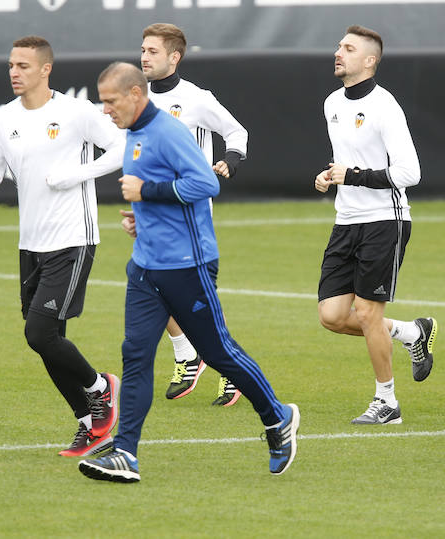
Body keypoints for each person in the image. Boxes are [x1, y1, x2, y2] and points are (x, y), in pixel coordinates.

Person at [78, 63, 298, 482]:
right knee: (136, 355)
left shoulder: (168, 132)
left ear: (135, 95)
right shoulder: (134, 134)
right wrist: (141, 217)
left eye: (110, 101)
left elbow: (205, 184)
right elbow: (160, 196)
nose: (105, 110)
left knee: (218, 353)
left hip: (187, 267)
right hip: (145, 266)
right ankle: (125, 453)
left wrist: (148, 193)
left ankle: (277, 417)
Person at [0, 36, 123, 458]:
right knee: (44, 337)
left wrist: (78, 173)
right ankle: (89, 424)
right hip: (31, 242)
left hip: (73, 238)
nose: (14, 72)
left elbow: (122, 148)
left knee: (39, 331)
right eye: (10, 65)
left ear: (45, 69)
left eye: (22, 65)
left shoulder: (75, 112)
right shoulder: (3, 118)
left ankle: (101, 388)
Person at [314, 25, 438, 425]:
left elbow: (410, 172)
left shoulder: (386, 106)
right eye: (339, 47)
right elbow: (346, 162)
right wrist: (330, 176)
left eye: (348, 49)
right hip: (346, 220)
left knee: (368, 313)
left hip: (386, 219)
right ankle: (411, 333)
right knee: (332, 316)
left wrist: (353, 176)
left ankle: (387, 402)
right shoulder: (332, 102)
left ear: (370, 61)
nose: (338, 53)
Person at [128, 22, 248, 406]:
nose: (144, 57)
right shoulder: (138, 97)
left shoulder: (196, 98)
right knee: (153, 284)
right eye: (143, 50)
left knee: (196, 295)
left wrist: (228, 160)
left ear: (174, 57)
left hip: (190, 213)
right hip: (151, 211)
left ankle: (231, 370)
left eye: (153, 51)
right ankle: (187, 355)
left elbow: (237, 133)